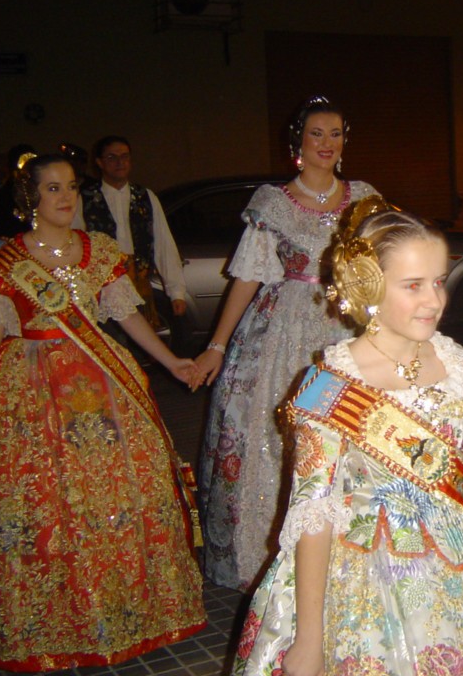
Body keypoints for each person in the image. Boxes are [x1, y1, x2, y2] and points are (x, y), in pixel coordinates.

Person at [232, 199, 463, 676]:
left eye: (439, 281)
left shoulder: (458, 365)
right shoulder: (330, 387)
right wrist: (311, 637)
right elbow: (314, 513)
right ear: (369, 285)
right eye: (413, 285)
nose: (435, 301)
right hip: (367, 571)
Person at [0, 154, 206, 670]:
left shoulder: (99, 249)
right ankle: (53, 617)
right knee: (44, 498)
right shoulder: (8, 260)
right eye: (52, 188)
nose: (65, 196)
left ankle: (126, 608)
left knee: (116, 491)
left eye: (71, 187)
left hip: (101, 383)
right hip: (31, 388)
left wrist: (171, 362)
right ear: (30, 197)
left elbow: (126, 314)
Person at [194, 96, 379, 591]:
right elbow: (249, 276)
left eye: (335, 133)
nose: (326, 143)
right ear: (298, 142)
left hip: (348, 327)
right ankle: (275, 557)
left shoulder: (364, 198)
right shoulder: (273, 202)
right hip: (282, 332)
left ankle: (354, 549)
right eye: (316, 133)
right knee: (279, 435)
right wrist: (216, 345)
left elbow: (380, 265)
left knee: (354, 431)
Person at [75, 135, 187, 336]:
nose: (120, 162)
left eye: (124, 156)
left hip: (139, 289)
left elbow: (164, 244)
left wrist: (176, 291)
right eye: (112, 157)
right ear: (99, 162)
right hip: (101, 290)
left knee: (141, 343)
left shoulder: (145, 197)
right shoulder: (84, 198)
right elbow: (74, 244)